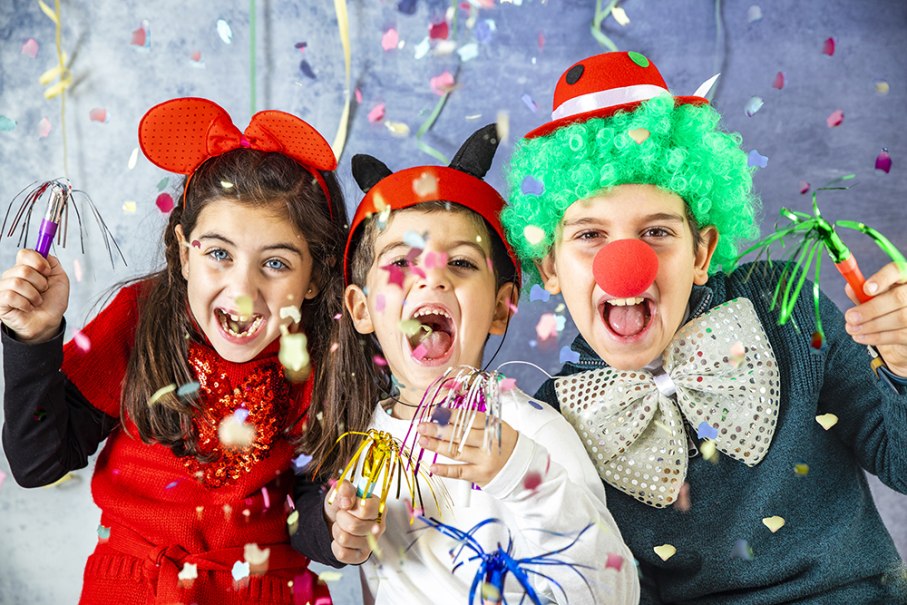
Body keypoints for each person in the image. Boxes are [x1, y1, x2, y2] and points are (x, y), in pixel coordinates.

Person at [501, 50, 907, 604]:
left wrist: (902, 366)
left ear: (701, 252)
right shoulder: (556, 419)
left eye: (657, 232)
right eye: (590, 236)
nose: (625, 265)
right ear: (549, 266)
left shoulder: (785, 306)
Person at [0, 97, 380, 605]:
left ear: (315, 277)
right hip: (130, 587)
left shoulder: (321, 355)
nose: (242, 290)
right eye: (219, 253)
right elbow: (37, 463)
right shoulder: (142, 318)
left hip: (264, 592)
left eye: (276, 264)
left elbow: (307, 507)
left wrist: (335, 526)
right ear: (184, 253)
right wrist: (33, 341)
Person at [342, 124, 639, 604]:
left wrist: (521, 472)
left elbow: (613, 592)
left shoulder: (532, 431)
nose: (431, 278)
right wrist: (349, 536)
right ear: (361, 309)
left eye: (460, 263)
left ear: (501, 308)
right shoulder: (365, 444)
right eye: (401, 263)